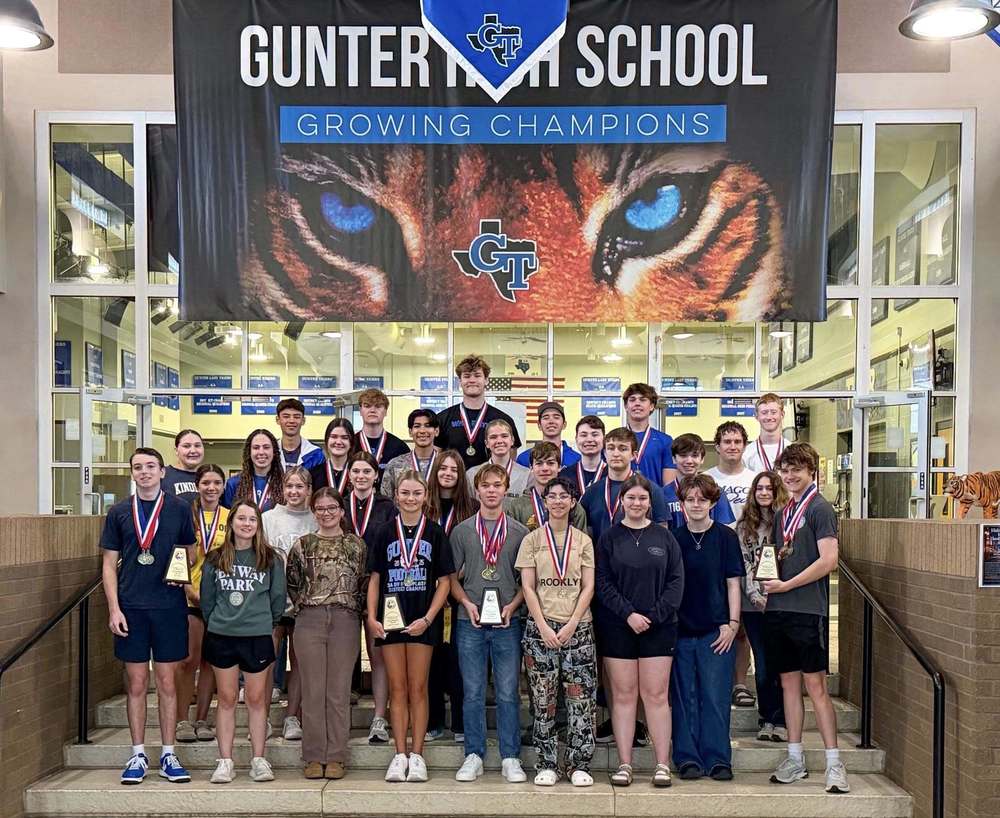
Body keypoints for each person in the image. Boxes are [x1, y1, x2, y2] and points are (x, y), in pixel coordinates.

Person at [100, 447, 196, 785]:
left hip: (169, 606)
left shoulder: (180, 509)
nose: (144, 472)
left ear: (162, 472)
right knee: (137, 683)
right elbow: (109, 565)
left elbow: (190, 550)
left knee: (168, 682)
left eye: (150, 466)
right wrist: (114, 608)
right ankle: (138, 753)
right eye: (138, 467)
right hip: (131, 608)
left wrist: (180, 569)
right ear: (132, 473)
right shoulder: (119, 512)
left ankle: (169, 753)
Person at [764, 443, 849, 794]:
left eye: (797, 469)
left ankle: (834, 763)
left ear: (812, 471)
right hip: (779, 610)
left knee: (815, 688)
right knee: (788, 686)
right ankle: (795, 757)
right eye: (785, 469)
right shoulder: (784, 511)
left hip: (807, 610)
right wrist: (769, 585)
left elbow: (829, 560)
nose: (790, 475)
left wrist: (787, 585)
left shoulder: (819, 508)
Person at [594, 474, 684, 788]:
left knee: (656, 696)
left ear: (650, 502)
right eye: (630, 498)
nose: (636, 503)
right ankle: (625, 764)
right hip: (618, 627)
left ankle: (662, 764)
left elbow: (676, 583)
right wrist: (628, 614)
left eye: (642, 498)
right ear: (621, 502)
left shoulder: (664, 538)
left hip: (659, 629)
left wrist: (652, 616)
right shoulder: (609, 538)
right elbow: (602, 583)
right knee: (623, 696)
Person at [367, 471, 455, 783]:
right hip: (390, 619)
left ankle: (417, 756)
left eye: (416, 493)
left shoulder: (434, 533)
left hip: (422, 620)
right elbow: (375, 578)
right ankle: (399, 754)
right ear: (396, 494)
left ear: (425, 496)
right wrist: (371, 616)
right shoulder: (382, 532)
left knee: (418, 687)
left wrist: (429, 618)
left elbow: (444, 583)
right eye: (405, 492)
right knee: (398, 688)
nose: (410, 498)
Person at [450, 464, 530, 784]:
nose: (492, 490)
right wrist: (466, 603)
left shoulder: (520, 532)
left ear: (506, 489)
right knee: (472, 691)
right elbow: (450, 579)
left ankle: (511, 756)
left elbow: (528, 581)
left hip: (508, 622)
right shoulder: (461, 531)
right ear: (477, 490)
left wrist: (513, 605)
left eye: (498, 485)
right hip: (470, 620)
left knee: (509, 691)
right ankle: (474, 754)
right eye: (486, 485)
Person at [517, 476, 597, 787]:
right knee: (543, 699)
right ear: (545, 501)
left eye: (565, 496)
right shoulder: (532, 539)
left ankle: (579, 764)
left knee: (580, 700)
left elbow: (588, 586)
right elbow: (527, 586)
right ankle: (546, 763)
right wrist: (542, 626)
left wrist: (573, 622)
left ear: (573, 501)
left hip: (578, 627)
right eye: (553, 496)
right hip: (541, 630)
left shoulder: (584, 541)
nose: (559, 501)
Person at [201, 499, 286, 784]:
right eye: (241, 519)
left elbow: (277, 600)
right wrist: (221, 622)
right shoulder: (215, 558)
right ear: (232, 523)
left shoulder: (271, 559)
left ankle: (258, 760)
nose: (247, 524)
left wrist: (263, 623)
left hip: (257, 636)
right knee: (225, 699)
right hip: (222, 635)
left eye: (252, 520)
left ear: (258, 526)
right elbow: (207, 601)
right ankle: (225, 761)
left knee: (256, 699)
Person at [286, 488, 368, 779]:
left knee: (338, 690)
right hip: (309, 619)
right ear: (314, 512)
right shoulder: (303, 545)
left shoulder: (355, 545)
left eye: (331, 507)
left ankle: (335, 755)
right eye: (320, 508)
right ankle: (312, 755)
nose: (326, 513)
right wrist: (307, 607)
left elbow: (363, 581)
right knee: (312, 690)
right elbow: (293, 583)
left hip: (345, 619)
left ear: (342, 511)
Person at [670, 474, 745, 782]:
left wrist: (732, 625)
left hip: (717, 632)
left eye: (702, 499)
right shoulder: (674, 538)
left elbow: (733, 584)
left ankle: (717, 758)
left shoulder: (726, 537)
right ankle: (687, 757)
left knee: (715, 697)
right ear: (682, 504)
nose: (696, 504)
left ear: (713, 502)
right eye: (690, 499)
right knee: (684, 698)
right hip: (681, 631)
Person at [424, 450, 478, 743]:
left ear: (461, 475)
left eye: (453, 470)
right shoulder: (423, 506)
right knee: (431, 660)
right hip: (427, 595)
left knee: (460, 661)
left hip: (462, 593)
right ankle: (433, 721)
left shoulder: (471, 508)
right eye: (442, 468)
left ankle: (459, 722)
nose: (447, 473)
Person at [262, 466, 319, 741]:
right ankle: (260, 717)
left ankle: (292, 717)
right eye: (290, 487)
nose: (294, 492)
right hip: (271, 602)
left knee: (299, 663)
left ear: (309, 490)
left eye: (300, 487)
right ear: (282, 490)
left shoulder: (316, 519)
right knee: (265, 661)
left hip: (304, 603)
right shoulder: (268, 519)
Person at [345, 451, 397, 744]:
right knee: (343, 656)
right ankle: (339, 716)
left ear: (376, 475)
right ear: (349, 475)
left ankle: (379, 717)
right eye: (356, 472)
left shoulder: (388, 508)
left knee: (377, 654)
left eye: (367, 472)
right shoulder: (339, 505)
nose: (361, 477)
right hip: (342, 588)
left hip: (378, 586)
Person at [735, 471, 789, 742]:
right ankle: (767, 719)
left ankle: (782, 719)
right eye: (759, 489)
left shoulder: (787, 524)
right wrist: (755, 596)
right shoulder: (744, 526)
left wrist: (778, 593)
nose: (764, 493)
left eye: (769, 488)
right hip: (754, 606)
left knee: (781, 663)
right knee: (764, 663)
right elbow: (743, 564)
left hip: (782, 603)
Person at [176, 464, 227, 745]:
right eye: (206, 482)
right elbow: (176, 555)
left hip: (220, 599)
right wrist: (186, 587)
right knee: (188, 660)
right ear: (197, 485)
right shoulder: (186, 516)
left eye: (217, 482)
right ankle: (183, 720)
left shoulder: (230, 518)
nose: (211, 487)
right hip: (190, 597)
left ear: (223, 486)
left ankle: (202, 719)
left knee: (211, 662)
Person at [580, 428, 669, 543]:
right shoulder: (592, 492)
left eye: (623, 449)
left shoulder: (651, 490)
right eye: (611, 448)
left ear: (634, 455)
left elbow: (662, 532)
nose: (616, 453)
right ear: (605, 454)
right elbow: (584, 532)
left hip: (640, 558)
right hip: (601, 558)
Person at [435, 354, 522, 469]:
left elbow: (510, 458)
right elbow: (436, 456)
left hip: (490, 485)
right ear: (459, 381)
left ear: (486, 380)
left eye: (477, 375)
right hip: (454, 484)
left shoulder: (503, 420)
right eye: (466, 376)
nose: (472, 380)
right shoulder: (443, 418)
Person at [506, 442, 588, 532]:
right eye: (539, 463)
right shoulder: (516, 507)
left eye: (550, 463)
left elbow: (581, 543)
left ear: (560, 467)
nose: (544, 468)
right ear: (531, 468)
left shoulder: (573, 507)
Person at [662, 434, 737, 530]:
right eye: (683, 455)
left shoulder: (716, 492)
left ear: (702, 459)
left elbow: (725, 530)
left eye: (694, 455)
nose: (689, 461)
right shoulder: (663, 494)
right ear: (673, 459)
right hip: (674, 545)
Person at [355, 388, 411, 492]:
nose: (372, 410)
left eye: (378, 406)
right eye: (367, 406)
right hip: (355, 504)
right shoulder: (350, 444)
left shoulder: (399, 447)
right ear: (360, 410)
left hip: (389, 505)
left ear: (385, 411)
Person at [622, 382, 676, 485]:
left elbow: (668, 487)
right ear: (626, 406)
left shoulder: (665, 441)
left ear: (651, 406)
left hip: (654, 499)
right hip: (621, 500)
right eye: (632, 400)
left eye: (642, 400)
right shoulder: (614, 439)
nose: (637, 403)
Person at [382, 408, 440, 500]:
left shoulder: (445, 464)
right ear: (410, 431)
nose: (422, 431)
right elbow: (385, 502)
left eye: (427, 426)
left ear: (436, 431)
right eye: (417, 426)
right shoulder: (395, 464)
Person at [466, 419, 533, 498]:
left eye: (504, 436)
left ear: (512, 440)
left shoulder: (527, 475)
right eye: (493, 437)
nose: (499, 441)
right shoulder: (472, 474)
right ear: (486, 443)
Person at [222, 429, 284, 512]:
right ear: (249, 452)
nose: (261, 452)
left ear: (274, 452)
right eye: (256, 447)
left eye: (266, 447)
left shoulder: (284, 483)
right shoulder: (233, 483)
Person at [706, 422, 756, 523]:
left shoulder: (755, 479)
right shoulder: (706, 479)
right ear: (717, 447)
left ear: (745, 446)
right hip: (716, 537)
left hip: (748, 537)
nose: (733, 447)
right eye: (727, 442)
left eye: (737, 442)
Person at [515, 401, 580, 469]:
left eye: (556, 417)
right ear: (539, 425)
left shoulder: (576, 459)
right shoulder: (524, 458)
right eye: (546, 418)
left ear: (564, 425)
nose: (551, 421)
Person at [559, 415, 606, 497]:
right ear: (576, 439)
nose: (589, 440)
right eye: (583, 435)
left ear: (604, 439)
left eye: (595, 435)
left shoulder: (613, 474)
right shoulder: (564, 476)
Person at [309, 418, 358, 493]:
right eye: (334, 436)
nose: (338, 442)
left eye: (344, 438)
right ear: (327, 440)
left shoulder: (358, 473)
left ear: (351, 443)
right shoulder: (313, 474)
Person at [743, 393, 788, 474]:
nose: (769, 417)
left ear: (782, 414)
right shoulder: (746, 453)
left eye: (773, 412)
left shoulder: (791, 449)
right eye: (764, 413)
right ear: (757, 416)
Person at [275, 398, 324, 471]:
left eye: (296, 417)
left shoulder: (316, 455)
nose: (291, 421)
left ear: (303, 420)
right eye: (286, 416)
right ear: (278, 420)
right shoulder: (271, 452)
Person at [162, 429, 204, 504]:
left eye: (197, 446)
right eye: (186, 446)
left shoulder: (208, 476)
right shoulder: (163, 475)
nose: (193, 451)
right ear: (176, 450)